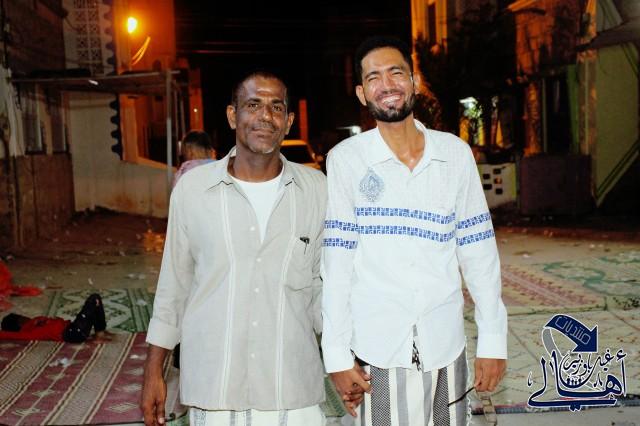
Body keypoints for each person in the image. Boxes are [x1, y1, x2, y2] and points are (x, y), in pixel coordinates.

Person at [321, 36, 507, 425]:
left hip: (446, 345)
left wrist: (493, 340)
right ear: (361, 93)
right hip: (377, 350)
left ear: (415, 82)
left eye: (396, 73)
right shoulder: (346, 161)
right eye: (373, 77)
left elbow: (479, 254)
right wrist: (336, 355)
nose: (386, 85)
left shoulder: (453, 155)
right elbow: (337, 263)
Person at [142, 70, 328, 426]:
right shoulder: (193, 190)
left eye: (276, 107)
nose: (265, 116)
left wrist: (344, 359)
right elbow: (174, 287)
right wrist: (154, 371)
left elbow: (324, 288)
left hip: (291, 387)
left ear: (288, 121)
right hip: (215, 388)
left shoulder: (317, 189)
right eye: (253, 105)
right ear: (232, 115)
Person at [0, 293, 113, 343]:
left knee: (96, 299)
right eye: (20, 318)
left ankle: (100, 332)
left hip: (73, 327)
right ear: (19, 324)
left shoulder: (36, 320)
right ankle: (98, 336)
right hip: (72, 334)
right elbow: (8, 335)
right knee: (93, 299)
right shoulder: (29, 332)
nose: (24, 317)